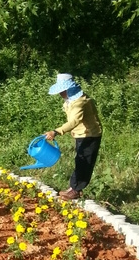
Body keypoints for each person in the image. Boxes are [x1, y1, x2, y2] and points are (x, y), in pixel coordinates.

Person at [44, 73, 103, 201]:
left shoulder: (80, 101)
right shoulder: (70, 100)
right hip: (81, 134)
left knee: (85, 161)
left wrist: (56, 131)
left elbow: (74, 121)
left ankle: (76, 190)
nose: (60, 94)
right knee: (79, 160)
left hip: (90, 134)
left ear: (69, 89)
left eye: (62, 90)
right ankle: (73, 188)